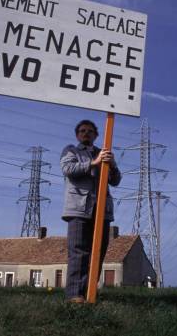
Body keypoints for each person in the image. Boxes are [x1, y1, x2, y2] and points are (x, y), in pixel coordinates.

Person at [60, 119, 121, 303]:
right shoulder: (71, 150)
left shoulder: (104, 154)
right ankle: (74, 295)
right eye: (82, 130)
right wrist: (94, 163)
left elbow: (115, 180)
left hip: (102, 210)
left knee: (98, 252)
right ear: (77, 134)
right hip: (79, 209)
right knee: (79, 252)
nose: (86, 133)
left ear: (96, 135)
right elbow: (68, 169)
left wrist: (112, 165)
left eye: (89, 131)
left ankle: (90, 292)